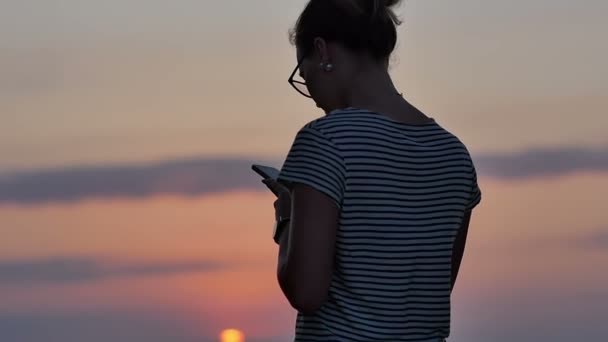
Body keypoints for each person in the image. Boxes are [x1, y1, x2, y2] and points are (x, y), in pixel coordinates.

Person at [262, 0, 482, 341]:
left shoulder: (324, 142)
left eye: (305, 78)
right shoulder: (455, 157)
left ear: (322, 51)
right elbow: (428, 292)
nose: (315, 99)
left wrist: (287, 217)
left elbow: (305, 293)